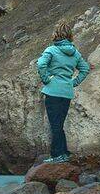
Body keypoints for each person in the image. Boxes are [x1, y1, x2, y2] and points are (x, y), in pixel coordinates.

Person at [36, 20, 90, 161]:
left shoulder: (51, 50)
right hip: (66, 92)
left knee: (55, 124)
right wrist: (73, 82)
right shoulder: (75, 53)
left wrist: (46, 79)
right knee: (59, 123)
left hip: (53, 91)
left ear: (56, 35)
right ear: (70, 36)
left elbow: (41, 64)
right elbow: (85, 69)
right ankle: (64, 153)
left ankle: (56, 156)